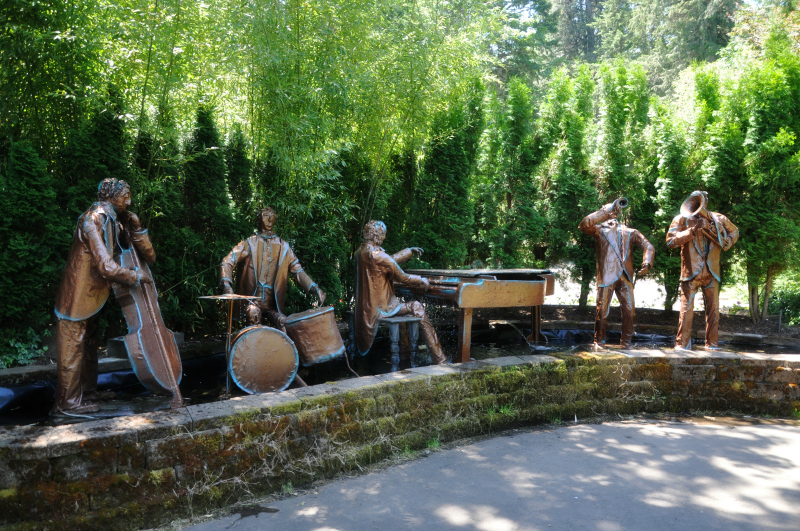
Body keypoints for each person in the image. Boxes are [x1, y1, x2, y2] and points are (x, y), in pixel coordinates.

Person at [53, 178, 154, 415]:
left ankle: (87, 392)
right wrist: (135, 276)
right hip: (76, 298)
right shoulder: (92, 219)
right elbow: (107, 267)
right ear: (111, 195)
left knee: (88, 344)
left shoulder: (113, 220)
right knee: (73, 346)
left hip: (92, 297)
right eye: (125, 196)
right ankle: (66, 403)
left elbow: (149, 257)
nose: (129, 202)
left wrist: (137, 228)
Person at [354, 220, 446, 364]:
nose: (384, 238)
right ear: (377, 235)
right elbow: (403, 277)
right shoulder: (378, 256)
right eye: (383, 235)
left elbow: (388, 261)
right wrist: (421, 280)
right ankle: (440, 358)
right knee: (416, 307)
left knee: (399, 307)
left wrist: (408, 251)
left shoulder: (360, 251)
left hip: (365, 311)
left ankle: (404, 354)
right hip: (381, 310)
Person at [219, 207, 325, 331]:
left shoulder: (283, 246)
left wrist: (314, 287)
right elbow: (227, 262)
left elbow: (298, 270)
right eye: (265, 215)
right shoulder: (249, 244)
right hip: (252, 302)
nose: (269, 219)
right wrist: (226, 285)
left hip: (272, 304)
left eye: (272, 215)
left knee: (284, 324)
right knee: (253, 316)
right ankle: (253, 348)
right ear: (258, 220)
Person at [667, 191, 738, 350]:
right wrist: (692, 231)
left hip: (711, 271)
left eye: (701, 201)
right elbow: (670, 241)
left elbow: (735, 231)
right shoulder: (681, 219)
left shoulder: (719, 218)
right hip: (691, 271)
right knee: (686, 311)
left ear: (706, 201)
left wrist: (728, 242)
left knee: (714, 312)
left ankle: (712, 344)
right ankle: (682, 345)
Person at [579, 200, 655, 349]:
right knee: (603, 312)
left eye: (616, 211)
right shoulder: (599, 229)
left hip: (625, 276)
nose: (614, 213)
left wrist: (647, 262)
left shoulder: (630, 232)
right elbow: (584, 225)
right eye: (612, 211)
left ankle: (626, 343)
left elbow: (648, 245)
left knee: (630, 312)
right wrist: (603, 213)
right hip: (607, 276)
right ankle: (599, 342)